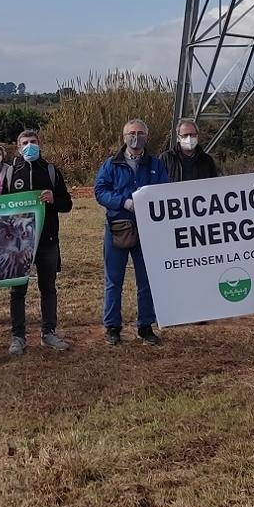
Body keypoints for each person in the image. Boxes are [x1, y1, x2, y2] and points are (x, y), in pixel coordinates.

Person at [94, 119, 169, 346]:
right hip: (118, 228)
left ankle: (145, 326)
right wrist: (122, 202)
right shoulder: (111, 164)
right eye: (131, 133)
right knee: (113, 279)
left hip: (148, 230)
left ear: (147, 136)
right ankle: (112, 327)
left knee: (146, 280)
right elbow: (100, 191)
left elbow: (164, 191)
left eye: (140, 133)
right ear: (124, 136)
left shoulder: (155, 164)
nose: (135, 137)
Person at [1, 128, 73, 353]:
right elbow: (0, 206)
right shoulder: (11, 173)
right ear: (18, 146)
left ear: (39, 144)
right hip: (19, 243)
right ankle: (18, 337)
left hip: (47, 241)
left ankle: (48, 333)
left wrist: (54, 199)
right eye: (25, 142)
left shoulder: (51, 171)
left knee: (48, 288)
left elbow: (67, 204)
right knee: (17, 291)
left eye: (33, 141)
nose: (29, 146)